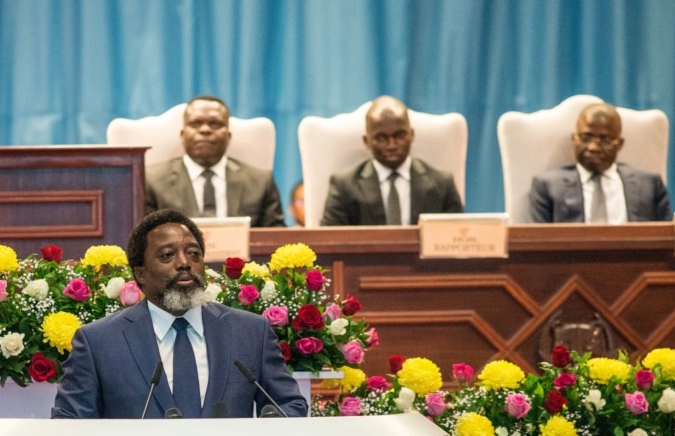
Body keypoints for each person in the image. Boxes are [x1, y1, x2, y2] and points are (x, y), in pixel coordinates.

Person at [51, 209, 307, 419]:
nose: (184, 262)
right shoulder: (99, 342)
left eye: (194, 254)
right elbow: (70, 425)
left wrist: (268, 428)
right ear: (140, 274)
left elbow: (290, 406)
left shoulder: (250, 332)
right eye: (167, 255)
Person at [145, 95, 286, 227]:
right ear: (182, 135)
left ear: (229, 136)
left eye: (215, 124)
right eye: (195, 124)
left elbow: (275, 237)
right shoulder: (152, 181)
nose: (205, 130)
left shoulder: (260, 181)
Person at [320, 95, 462, 226]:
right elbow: (329, 243)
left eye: (399, 136)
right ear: (366, 141)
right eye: (381, 138)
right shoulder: (344, 186)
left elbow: (457, 241)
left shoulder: (442, 183)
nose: (392, 145)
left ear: (411, 135)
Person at [528, 102, 671, 223]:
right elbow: (536, 246)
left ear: (620, 144)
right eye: (586, 137)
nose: (594, 147)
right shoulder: (547, 186)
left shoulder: (650, 185)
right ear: (574, 139)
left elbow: (669, 244)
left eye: (605, 140)